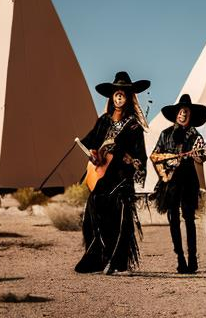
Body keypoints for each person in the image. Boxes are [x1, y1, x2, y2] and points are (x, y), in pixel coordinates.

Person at [74, 71, 149, 275]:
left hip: (121, 178)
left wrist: (128, 159)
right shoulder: (103, 121)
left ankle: (117, 261)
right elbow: (90, 143)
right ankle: (95, 258)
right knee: (92, 215)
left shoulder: (134, 126)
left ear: (128, 97)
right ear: (112, 97)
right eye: (116, 93)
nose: (119, 97)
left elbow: (140, 158)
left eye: (122, 94)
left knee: (120, 220)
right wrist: (92, 153)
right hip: (101, 178)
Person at [150, 94, 206, 274]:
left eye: (186, 111)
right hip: (170, 182)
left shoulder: (195, 136)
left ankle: (192, 258)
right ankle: (180, 257)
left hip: (189, 179)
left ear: (190, 115)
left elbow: (202, 156)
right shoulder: (165, 134)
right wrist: (167, 168)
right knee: (173, 219)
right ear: (176, 114)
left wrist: (198, 156)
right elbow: (155, 156)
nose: (183, 114)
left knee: (189, 219)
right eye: (181, 111)